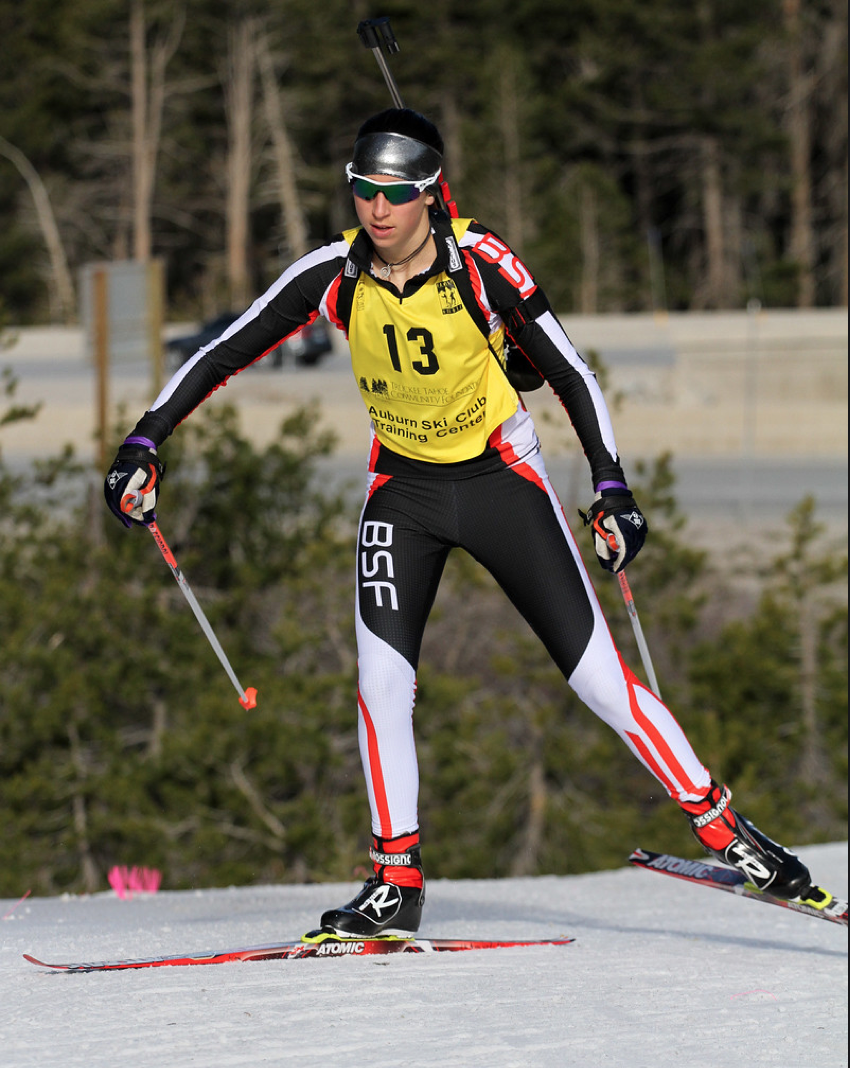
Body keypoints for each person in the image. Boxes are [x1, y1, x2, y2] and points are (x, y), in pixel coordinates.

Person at [105, 108, 818, 938]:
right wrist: (145, 439)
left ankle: (735, 838)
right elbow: (226, 346)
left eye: (396, 195)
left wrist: (613, 486)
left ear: (429, 194)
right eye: (364, 192)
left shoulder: (482, 265)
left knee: (598, 682)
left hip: (499, 482)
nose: (378, 211)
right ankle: (393, 880)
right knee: (380, 684)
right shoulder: (335, 273)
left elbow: (569, 371)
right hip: (402, 494)